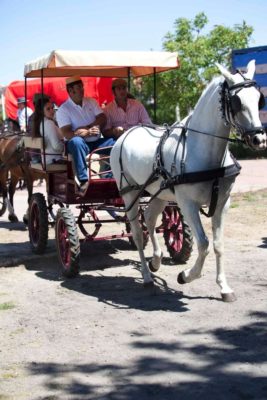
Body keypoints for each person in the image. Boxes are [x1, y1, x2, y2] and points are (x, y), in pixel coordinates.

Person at [56, 75, 115, 196]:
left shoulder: (91, 101)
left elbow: (102, 117)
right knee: (76, 142)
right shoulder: (63, 110)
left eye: (82, 86)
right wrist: (86, 132)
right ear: (71, 91)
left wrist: (87, 129)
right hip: (78, 145)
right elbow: (67, 133)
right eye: (79, 87)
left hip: (96, 141)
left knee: (115, 143)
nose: (82, 89)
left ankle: (113, 175)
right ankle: (83, 181)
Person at [32, 97, 64, 165]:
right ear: (41, 111)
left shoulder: (41, 122)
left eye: (52, 108)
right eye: (48, 109)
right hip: (55, 160)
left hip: (47, 160)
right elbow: (56, 146)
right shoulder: (49, 123)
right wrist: (67, 146)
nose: (52, 111)